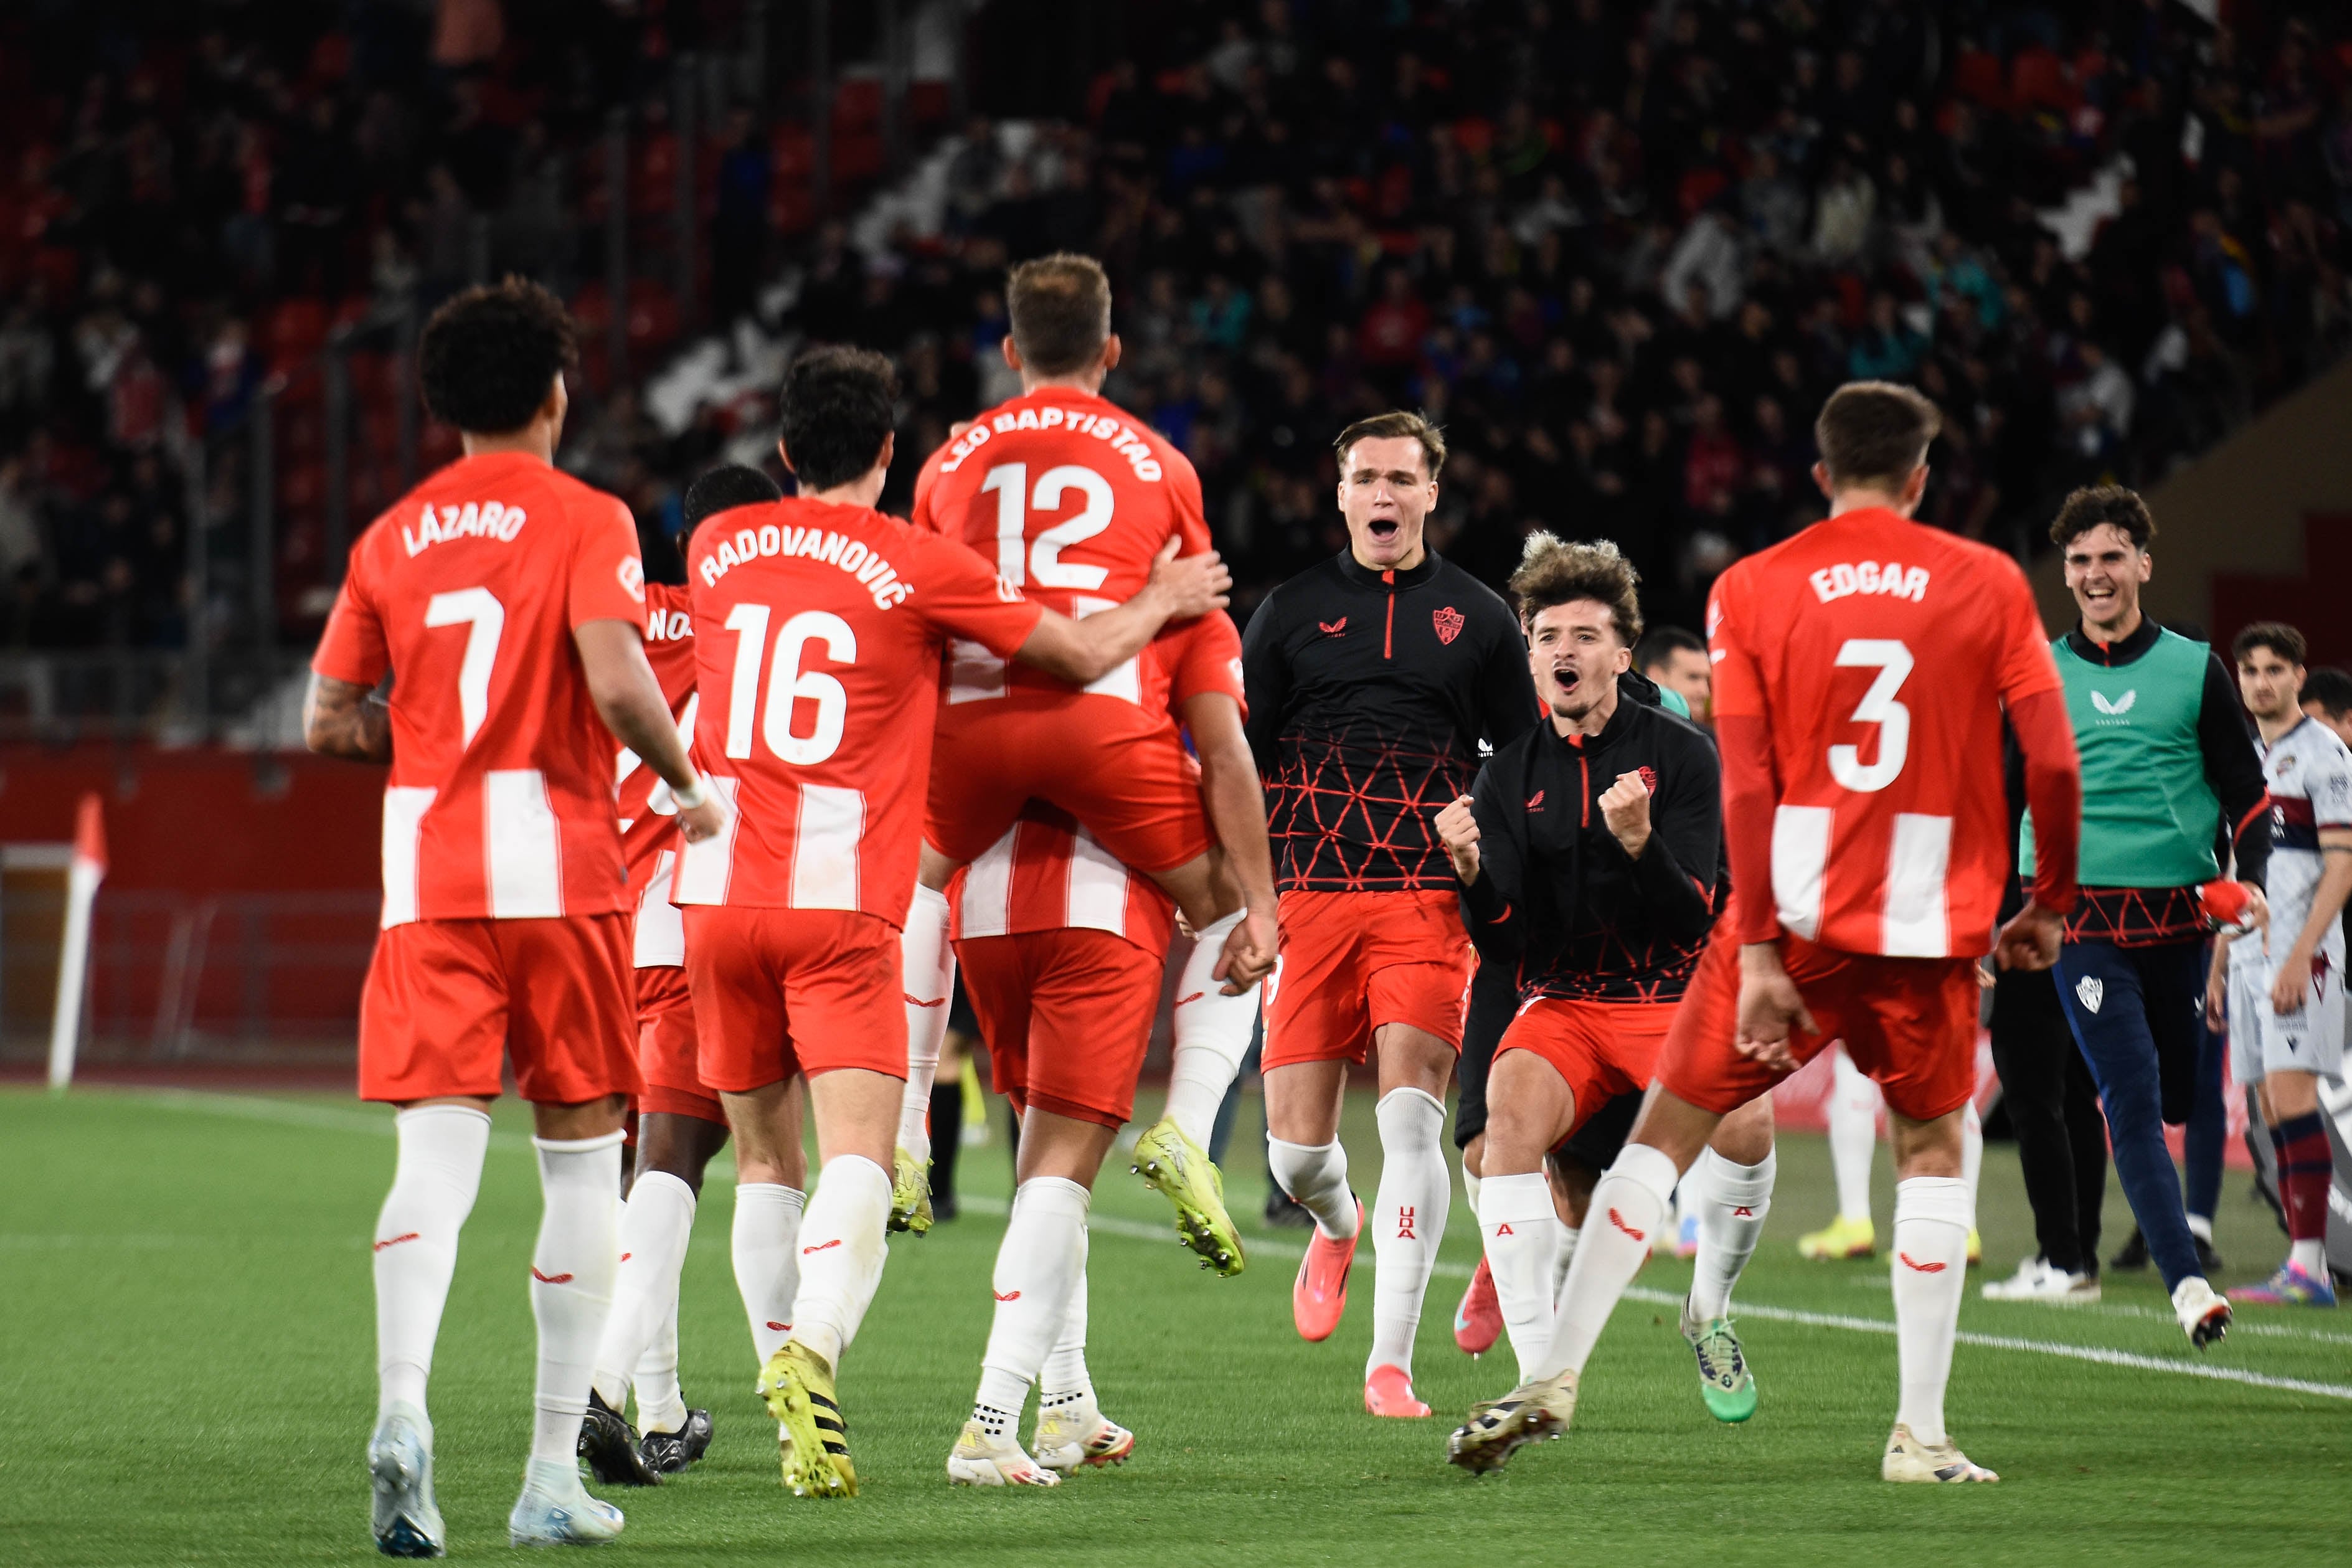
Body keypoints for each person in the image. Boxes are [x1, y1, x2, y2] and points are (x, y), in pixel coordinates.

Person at [1445, 380, 2083, 1485]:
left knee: (1668, 1139)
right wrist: (2049, 901)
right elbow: (2054, 760)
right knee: (1931, 1154)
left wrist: (1749, 945)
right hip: (1925, 922)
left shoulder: (1756, 585)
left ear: (1821, 476)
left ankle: (1563, 1370)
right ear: (1922, 478)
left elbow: (1744, 776)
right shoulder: (1982, 579)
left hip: (1795, 921)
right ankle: (1919, 1434)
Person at [673, 346, 1229, 1500]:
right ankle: (811, 1348)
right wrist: (1165, 596)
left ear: (781, 453)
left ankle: (791, 1396)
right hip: (838, 901)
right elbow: (1073, 655)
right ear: (888, 451)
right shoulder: (916, 563)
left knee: (764, 1162)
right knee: (862, 1160)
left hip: (715, 896)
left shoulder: (716, 548)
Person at [306, 278, 728, 1554]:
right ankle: (549, 1470)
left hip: (428, 883)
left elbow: (327, 721)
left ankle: (398, 1408)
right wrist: (687, 785)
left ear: (438, 403)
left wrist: (427, 734)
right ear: (557, 389)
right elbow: (614, 677)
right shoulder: (587, 513)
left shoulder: (389, 536)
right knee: (578, 1157)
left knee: (429, 1158)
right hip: (562, 881)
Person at [905, 253, 1277, 1275]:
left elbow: (922, 611)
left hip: (973, 732)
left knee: (910, 893)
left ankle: (897, 1129)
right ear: (1111, 350)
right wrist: (1259, 900)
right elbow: (1218, 714)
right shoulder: (1162, 465)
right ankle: (1190, 1126)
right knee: (1228, 918)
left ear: (1009, 351)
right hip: (1103, 722)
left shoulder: (943, 467)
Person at [1433, 534, 1775, 1424]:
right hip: (1569, 1004)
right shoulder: (1505, 773)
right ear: (1529, 650)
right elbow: (1507, 942)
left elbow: (1691, 917)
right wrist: (1472, 876)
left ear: (1623, 654)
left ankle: (1709, 1308)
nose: (1564, 652)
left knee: (1747, 1118)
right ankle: (1540, 1379)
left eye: (1585, 636)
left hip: (1673, 995)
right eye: (1547, 635)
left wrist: (1639, 843)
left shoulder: (1683, 755)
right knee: (1502, 1133)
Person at [1242, 409, 1541, 1417]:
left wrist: (1495, 871)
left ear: (1430, 492)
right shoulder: (1287, 611)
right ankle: (1335, 1223)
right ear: (1338, 494)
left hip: (1423, 901)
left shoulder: (1481, 617)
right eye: (1364, 478)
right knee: (1293, 1151)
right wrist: (1248, 896)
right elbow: (1245, 760)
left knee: (1411, 1119)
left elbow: (1522, 766)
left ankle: (1390, 1364)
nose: (1382, 495)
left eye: (1399, 479)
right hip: (1312, 898)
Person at [942, 603, 1262, 1486]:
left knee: (1048, 1177)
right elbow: (1213, 772)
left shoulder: (996, 620)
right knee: (1058, 1177)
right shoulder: (1161, 639)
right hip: (1097, 915)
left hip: (981, 915)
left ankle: (1067, 1400)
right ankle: (989, 1421)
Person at [577, 465, 786, 1489]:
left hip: (580, 912)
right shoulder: (750, 631)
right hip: (677, 904)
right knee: (676, 1153)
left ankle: (658, 1406)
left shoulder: (618, 618)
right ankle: (602, 1382)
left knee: (627, 1169)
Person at [2033, 486, 2269, 1328]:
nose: (2095, 575)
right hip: (2080, 923)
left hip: (2180, 921)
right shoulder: (2033, 675)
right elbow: (1996, 796)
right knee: (2128, 1097)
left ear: (2142, 563)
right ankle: (2188, 1284)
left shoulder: (2194, 667)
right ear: (2065, 574)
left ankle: (2177, 1246)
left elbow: (2248, 795)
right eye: (2079, 561)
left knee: (2178, 1094)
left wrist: (2256, 881)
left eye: (2109, 557)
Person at [2218, 623, 2349, 1306]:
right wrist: (2219, 961)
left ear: (2300, 675)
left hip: (2305, 957)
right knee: (2271, 1105)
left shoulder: (2323, 754)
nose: (2261, 682)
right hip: (2248, 955)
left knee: (2295, 1101)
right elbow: (2245, 869)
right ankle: (2302, 1264)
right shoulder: (2248, 758)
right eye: (2250, 671)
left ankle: (2310, 1267)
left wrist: (2301, 954)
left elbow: (2343, 865)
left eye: (2275, 669)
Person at [1635, 625, 1713, 726]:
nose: (1705, 692)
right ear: (1656, 676)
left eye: (1707, 680)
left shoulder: (1710, 739)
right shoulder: (1621, 735)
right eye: (1693, 677)